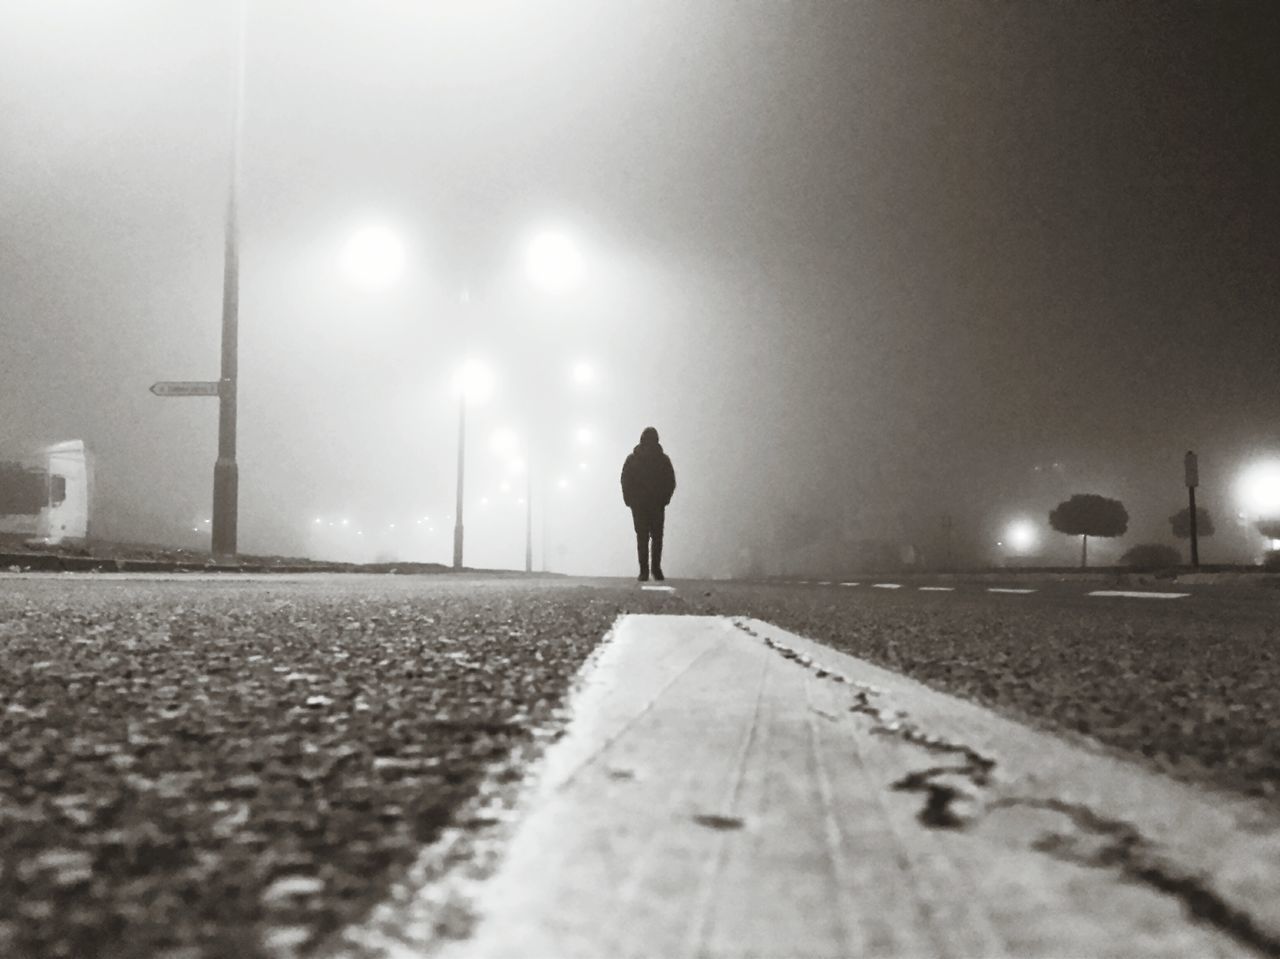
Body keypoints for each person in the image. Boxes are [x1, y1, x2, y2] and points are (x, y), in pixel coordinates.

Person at [620, 426, 676, 582]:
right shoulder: (663, 460)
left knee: (642, 537)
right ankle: (655, 570)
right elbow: (670, 481)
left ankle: (644, 571)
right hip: (655, 504)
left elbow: (625, 480)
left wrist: (629, 499)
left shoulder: (633, 459)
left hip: (640, 504)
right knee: (656, 537)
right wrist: (665, 498)